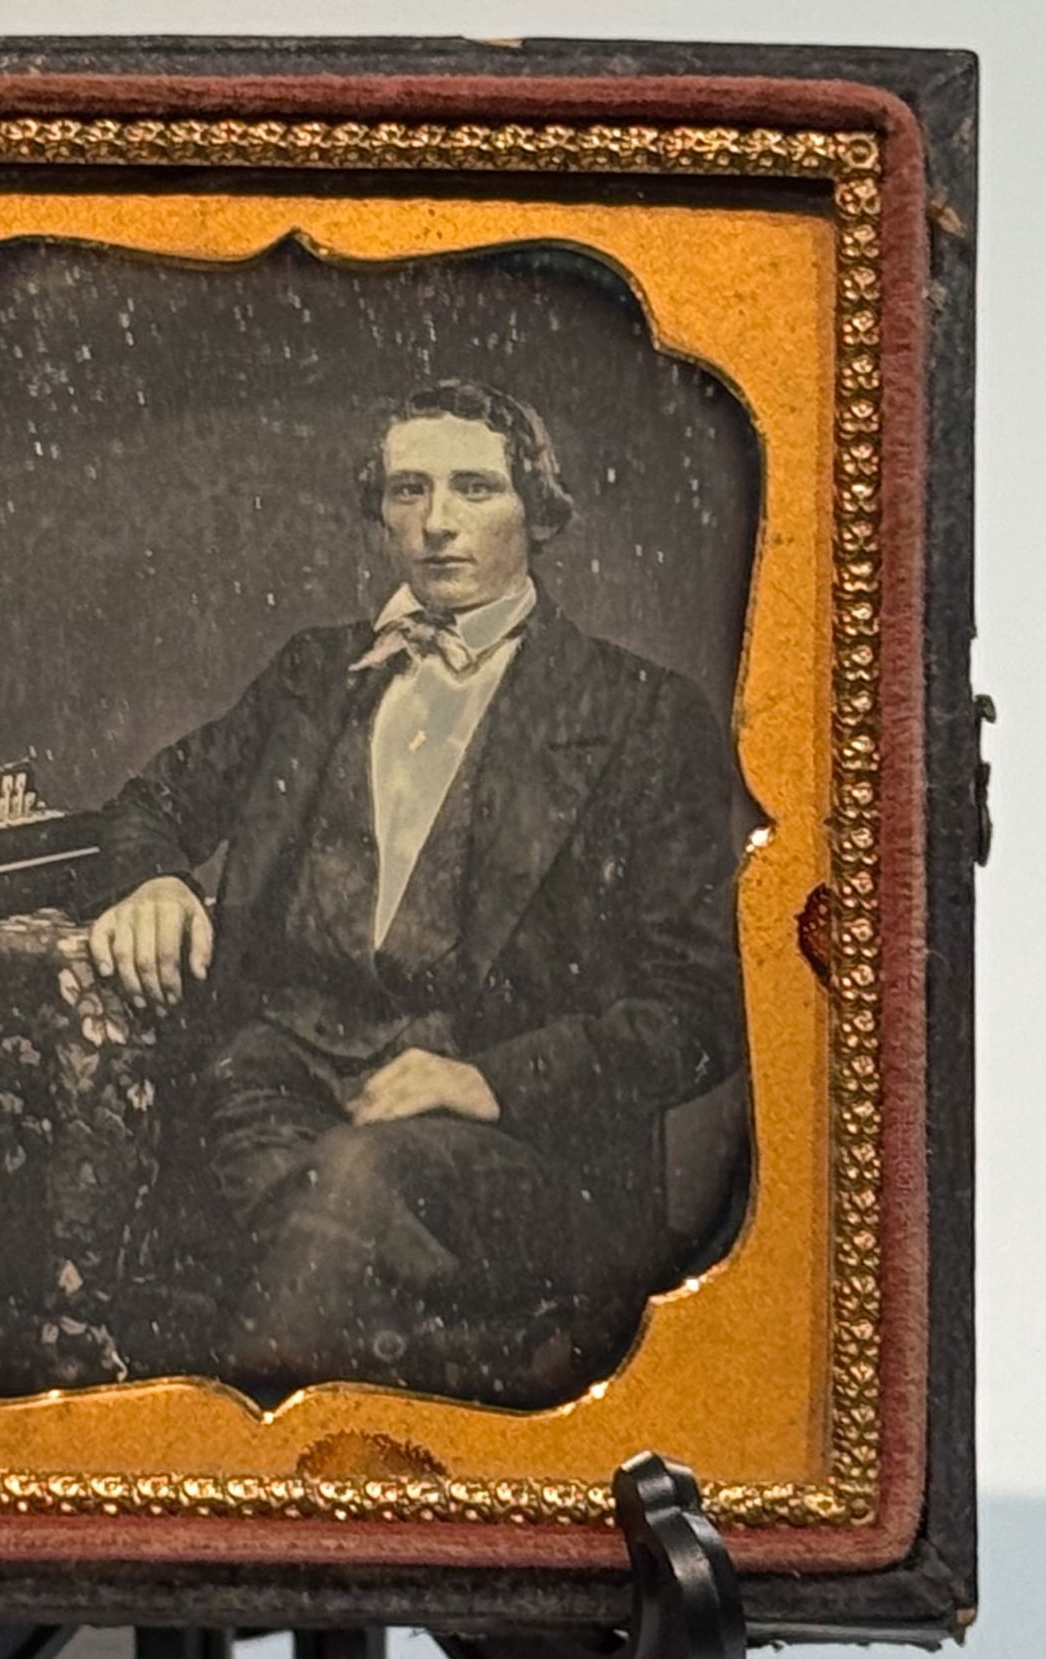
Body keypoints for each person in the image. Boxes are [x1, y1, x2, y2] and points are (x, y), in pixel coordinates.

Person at [89, 379, 747, 1407]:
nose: (436, 524)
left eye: (474, 488)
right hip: (275, 1087)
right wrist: (155, 878)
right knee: (295, 1197)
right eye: (407, 492)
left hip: (516, 1139)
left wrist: (486, 1080)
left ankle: (234, 1508)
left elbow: (704, 1010)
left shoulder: (640, 717)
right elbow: (148, 804)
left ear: (539, 509)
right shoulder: (314, 674)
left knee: (349, 1189)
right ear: (378, 511)